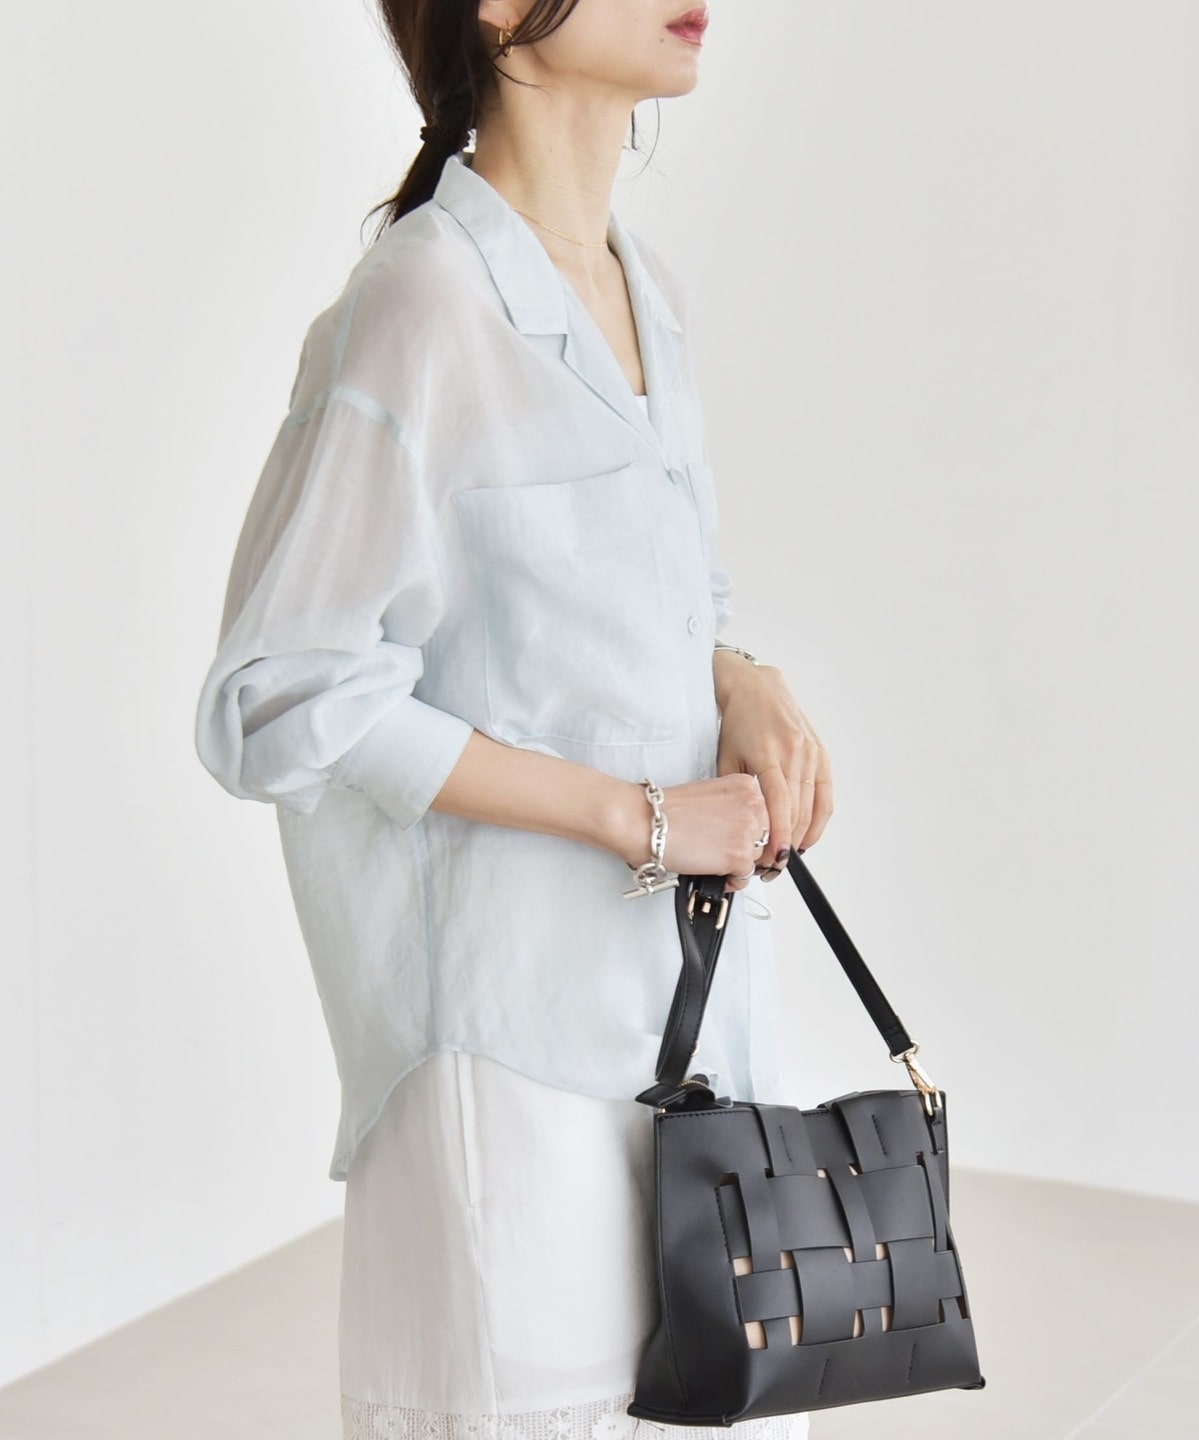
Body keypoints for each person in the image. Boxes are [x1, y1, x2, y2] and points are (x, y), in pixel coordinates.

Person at [193, 1, 833, 1436]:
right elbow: (277, 691)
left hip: (693, 1026)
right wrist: (633, 815)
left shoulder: (641, 289)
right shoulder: (421, 303)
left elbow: (638, 599)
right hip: (510, 1065)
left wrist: (738, 676)